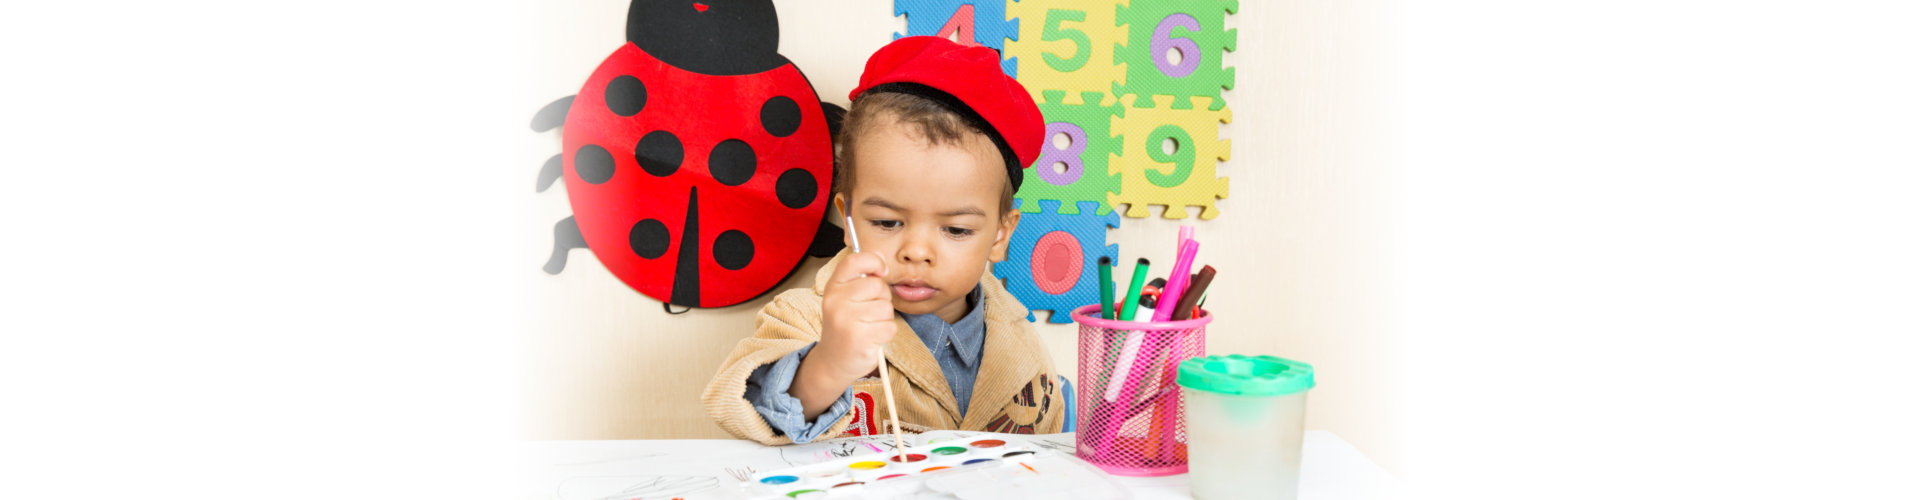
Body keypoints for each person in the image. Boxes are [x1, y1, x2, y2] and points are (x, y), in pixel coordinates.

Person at [704, 36, 1064, 444]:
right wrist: (830, 363)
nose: (916, 251)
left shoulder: (1019, 338)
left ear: (1001, 234)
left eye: (957, 229)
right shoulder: (807, 317)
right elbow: (739, 407)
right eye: (888, 222)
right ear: (849, 215)